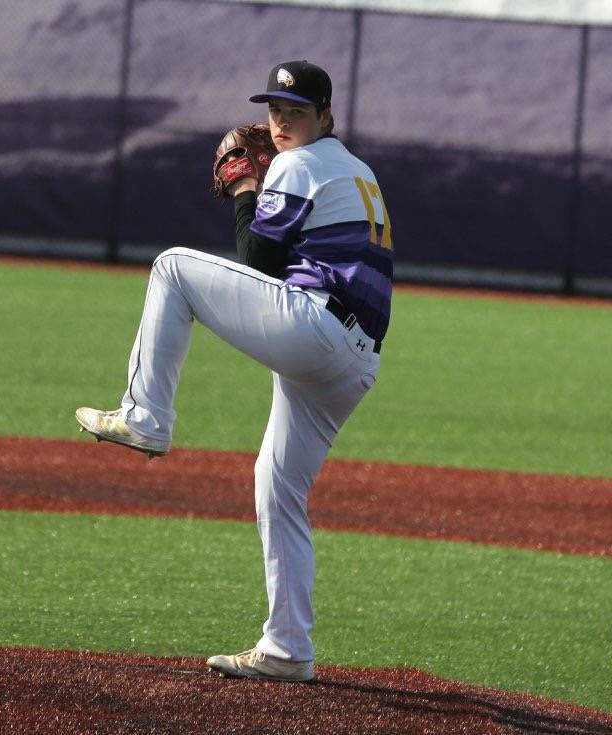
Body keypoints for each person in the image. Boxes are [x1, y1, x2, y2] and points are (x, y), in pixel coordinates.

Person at [75, 60, 393, 682]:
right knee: (278, 490)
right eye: (275, 110)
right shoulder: (359, 171)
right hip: (354, 359)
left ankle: (145, 416)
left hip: (316, 327)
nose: (280, 123)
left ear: (326, 116)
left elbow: (258, 259)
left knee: (172, 267)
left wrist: (248, 190)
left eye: (295, 112)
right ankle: (287, 648)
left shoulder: (301, 164)